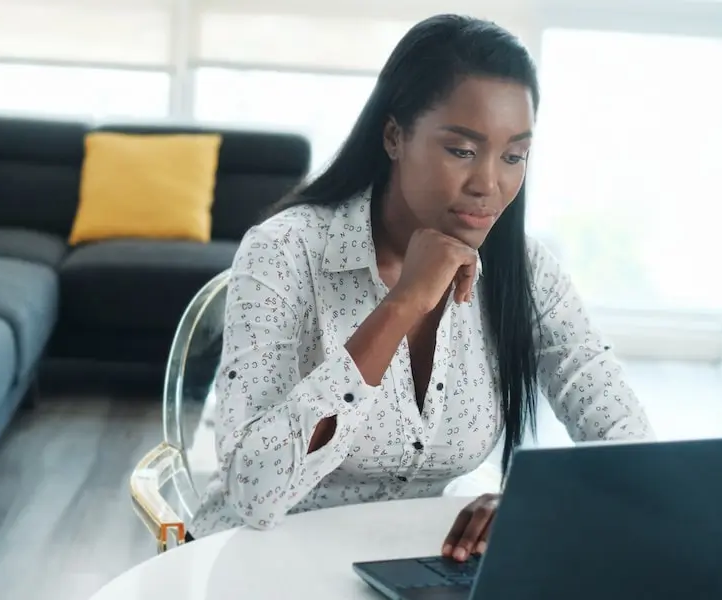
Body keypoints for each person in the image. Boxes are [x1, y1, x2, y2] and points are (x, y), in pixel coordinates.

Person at [187, 13, 655, 561]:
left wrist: (540, 504)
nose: (488, 184)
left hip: (406, 566)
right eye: (461, 150)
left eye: (513, 156)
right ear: (394, 136)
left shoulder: (528, 273)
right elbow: (253, 493)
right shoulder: (286, 250)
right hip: (252, 563)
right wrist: (403, 304)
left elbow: (631, 453)